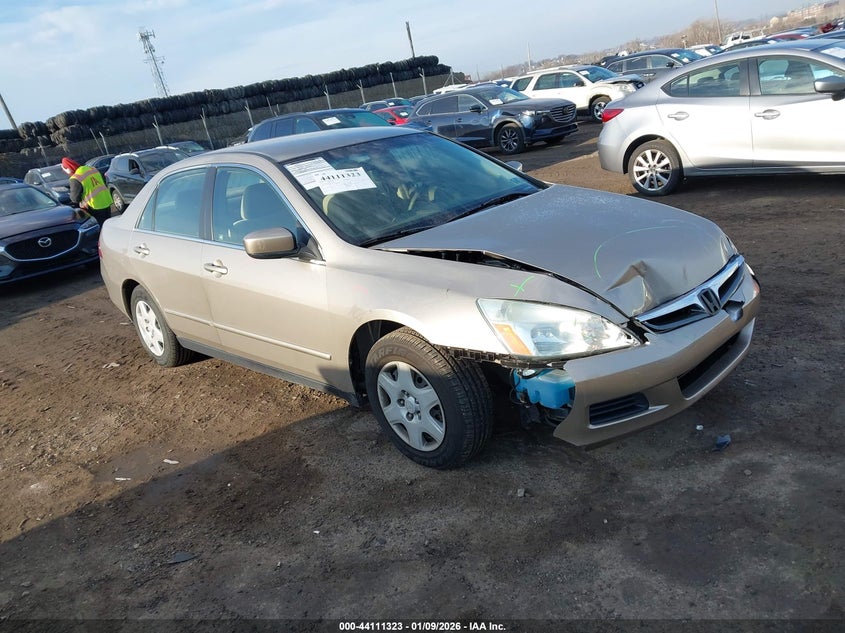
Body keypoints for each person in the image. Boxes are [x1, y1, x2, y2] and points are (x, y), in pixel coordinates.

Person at [61, 157, 114, 225]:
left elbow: (75, 199)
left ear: (68, 169)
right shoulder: (91, 169)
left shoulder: (75, 178)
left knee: (101, 228)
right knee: (108, 225)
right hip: (106, 201)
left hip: (94, 206)